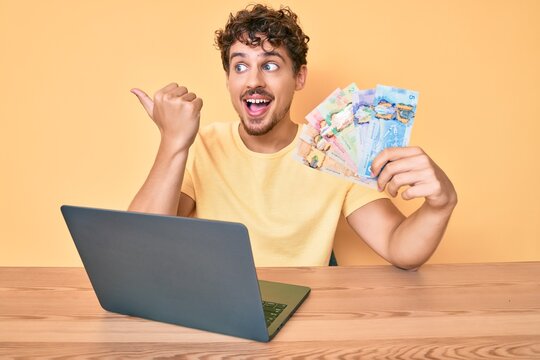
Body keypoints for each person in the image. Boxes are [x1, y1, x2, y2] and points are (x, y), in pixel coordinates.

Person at [128, 4, 457, 269]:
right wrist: (172, 142)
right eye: (240, 67)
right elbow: (138, 249)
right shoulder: (201, 145)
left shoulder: (335, 152)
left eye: (270, 65)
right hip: (216, 313)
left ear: (299, 77)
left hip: (306, 316)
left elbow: (398, 246)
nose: (253, 81)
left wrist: (441, 204)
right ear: (228, 79)